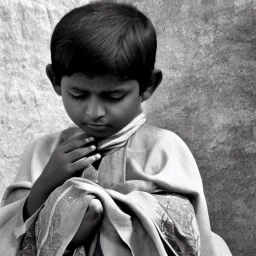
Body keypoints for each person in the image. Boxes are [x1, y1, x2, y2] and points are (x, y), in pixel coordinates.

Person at [0, 1, 232, 256]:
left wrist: (94, 211)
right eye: (78, 94)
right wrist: (47, 185)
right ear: (55, 81)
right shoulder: (43, 151)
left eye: (113, 97)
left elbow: (187, 232)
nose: (94, 112)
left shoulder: (164, 149)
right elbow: (9, 233)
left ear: (148, 86)